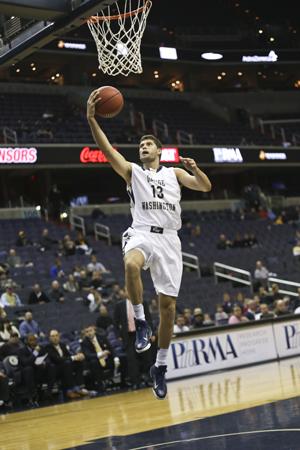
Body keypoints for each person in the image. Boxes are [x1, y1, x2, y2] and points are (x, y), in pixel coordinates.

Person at [87, 89, 212, 399]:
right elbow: (107, 150)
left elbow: (206, 187)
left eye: (147, 144)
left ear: (159, 150)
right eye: (140, 145)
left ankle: (160, 365)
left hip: (170, 239)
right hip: (142, 231)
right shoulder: (133, 173)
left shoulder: (175, 173)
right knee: (130, 263)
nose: (142, 147)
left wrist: (195, 169)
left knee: (168, 309)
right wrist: (92, 119)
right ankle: (141, 322)